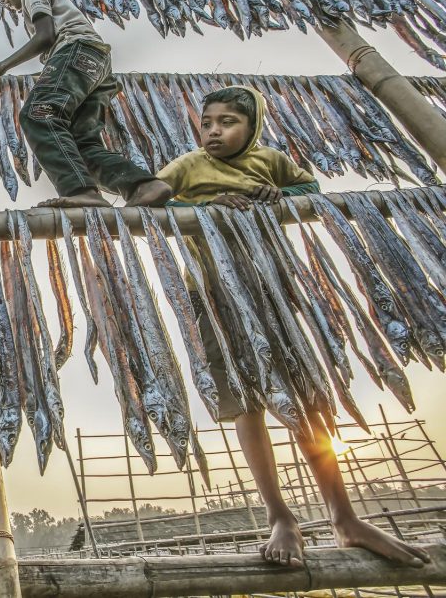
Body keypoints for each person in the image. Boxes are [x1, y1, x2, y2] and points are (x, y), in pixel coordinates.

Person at [157, 86, 431, 569]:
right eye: (207, 123)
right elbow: (153, 202)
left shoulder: (271, 160)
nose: (214, 131)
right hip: (214, 295)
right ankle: (280, 515)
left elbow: (310, 191)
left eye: (228, 122)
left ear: (253, 125)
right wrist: (206, 210)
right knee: (247, 402)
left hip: (275, 291)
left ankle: (342, 516)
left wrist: (279, 194)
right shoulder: (188, 165)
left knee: (304, 396)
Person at [0, 0, 172, 209]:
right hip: (96, 64)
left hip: (75, 52)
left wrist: (3, 65)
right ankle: (143, 185)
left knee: (38, 115)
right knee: (82, 145)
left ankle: (79, 190)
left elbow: (45, 36)